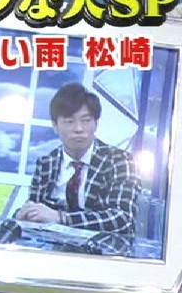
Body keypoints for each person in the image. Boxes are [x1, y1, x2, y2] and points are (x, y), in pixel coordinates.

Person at [18, 82, 138, 253]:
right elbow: (37, 211)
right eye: (69, 121)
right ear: (55, 126)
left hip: (105, 256)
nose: (79, 129)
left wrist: (60, 217)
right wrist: (25, 214)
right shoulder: (46, 164)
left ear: (96, 123)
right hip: (54, 254)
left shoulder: (119, 161)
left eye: (86, 120)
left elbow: (123, 219)